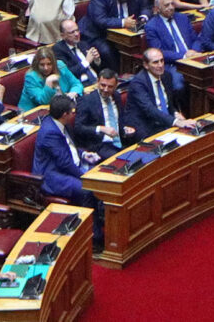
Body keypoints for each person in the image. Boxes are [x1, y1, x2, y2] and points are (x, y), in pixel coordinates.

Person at [32, 95, 103, 241]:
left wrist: (84, 154)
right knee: (87, 189)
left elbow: (69, 148)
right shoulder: (50, 132)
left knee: (102, 177)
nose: (74, 114)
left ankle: (100, 220)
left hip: (68, 167)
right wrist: (84, 177)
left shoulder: (60, 123)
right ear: (65, 114)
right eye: (72, 112)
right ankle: (94, 237)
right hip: (52, 176)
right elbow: (64, 163)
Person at [80, 0, 148, 71]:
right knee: (107, 51)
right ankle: (116, 74)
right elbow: (100, 20)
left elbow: (145, 7)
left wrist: (143, 18)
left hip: (128, 32)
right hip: (98, 34)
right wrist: (123, 22)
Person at [126, 48, 196, 140]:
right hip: (146, 124)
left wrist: (175, 113)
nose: (160, 65)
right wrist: (175, 121)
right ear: (146, 65)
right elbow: (149, 109)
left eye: (162, 61)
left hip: (164, 121)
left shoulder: (166, 76)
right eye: (155, 62)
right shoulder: (138, 83)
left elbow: (168, 103)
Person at [145, 0, 201, 102]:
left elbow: (196, 39)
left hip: (194, 58)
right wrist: (184, 55)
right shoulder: (152, 26)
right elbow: (159, 52)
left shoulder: (182, 18)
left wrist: (194, 52)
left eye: (172, 4)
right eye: (166, 5)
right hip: (172, 63)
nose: (171, 7)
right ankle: (182, 109)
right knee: (178, 86)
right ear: (157, 8)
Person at [74, 69, 135, 160]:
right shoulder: (87, 101)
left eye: (110, 86)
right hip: (100, 144)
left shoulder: (117, 96)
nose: (106, 89)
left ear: (116, 85)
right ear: (98, 82)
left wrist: (125, 128)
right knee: (122, 160)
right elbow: (78, 127)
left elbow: (120, 120)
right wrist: (100, 129)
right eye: (103, 85)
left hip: (120, 140)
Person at [19, 46, 83, 111]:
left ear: (54, 63)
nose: (46, 68)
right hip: (33, 112)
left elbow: (76, 83)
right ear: (37, 64)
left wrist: (73, 92)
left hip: (61, 108)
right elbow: (43, 101)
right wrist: (48, 83)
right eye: (42, 65)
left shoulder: (60, 66)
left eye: (49, 64)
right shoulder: (31, 77)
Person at [54, 19, 102, 86]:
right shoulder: (59, 49)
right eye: (72, 32)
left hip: (97, 80)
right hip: (81, 84)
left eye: (77, 30)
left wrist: (96, 60)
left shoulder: (83, 44)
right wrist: (86, 61)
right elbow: (67, 73)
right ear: (63, 36)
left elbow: (96, 67)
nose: (76, 34)